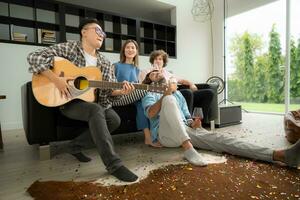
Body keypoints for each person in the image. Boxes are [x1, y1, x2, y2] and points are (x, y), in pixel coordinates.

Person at [27, 18, 138, 182]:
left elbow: (108, 92)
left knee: (114, 119)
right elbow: (34, 56)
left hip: (95, 103)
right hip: (69, 101)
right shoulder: (70, 48)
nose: (101, 35)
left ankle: (74, 146)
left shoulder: (105, 63)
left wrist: (121, 90)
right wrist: (56, 79)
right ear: (84, 32)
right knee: (96, 110)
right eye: (97, 30)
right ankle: (114, 165)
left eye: (103, 33)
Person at [141, 70, 300, 168]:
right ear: (150, 80)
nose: (158, 73)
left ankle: (279, 155)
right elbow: (150, 114)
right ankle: (188, 148)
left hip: (186, 129)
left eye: (160, 71)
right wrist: (165, 95)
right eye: (153, 73)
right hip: (166, 135)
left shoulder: (179, 95)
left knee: (222, 140)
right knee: (168, 100)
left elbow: (187, 117)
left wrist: (193, 123)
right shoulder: (149, 93)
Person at [140, 49, 214, 121]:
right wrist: (156, 74)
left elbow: (182, 80)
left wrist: (191, 84)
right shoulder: (146, 72)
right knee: (188, 92)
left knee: (209, 92)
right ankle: (189, 121)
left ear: (164, 62)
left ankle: (200, 123)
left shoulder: (168, 73)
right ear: (152, 61)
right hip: (164, 94)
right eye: (156, 59)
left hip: (175, 92)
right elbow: (144, 85)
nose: (158, 61)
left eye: (160, 59)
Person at [113, 40, 162, 147]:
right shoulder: (115, 66)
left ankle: (149, 138)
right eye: (128, 47)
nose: (130, 50)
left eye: (133, 48)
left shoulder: (137, 69)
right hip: (119, 97)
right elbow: (110, 87)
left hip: (133, 98)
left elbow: (138, 86)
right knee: (147, 90)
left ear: (136, 52)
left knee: (142, 104)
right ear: (123, 50)